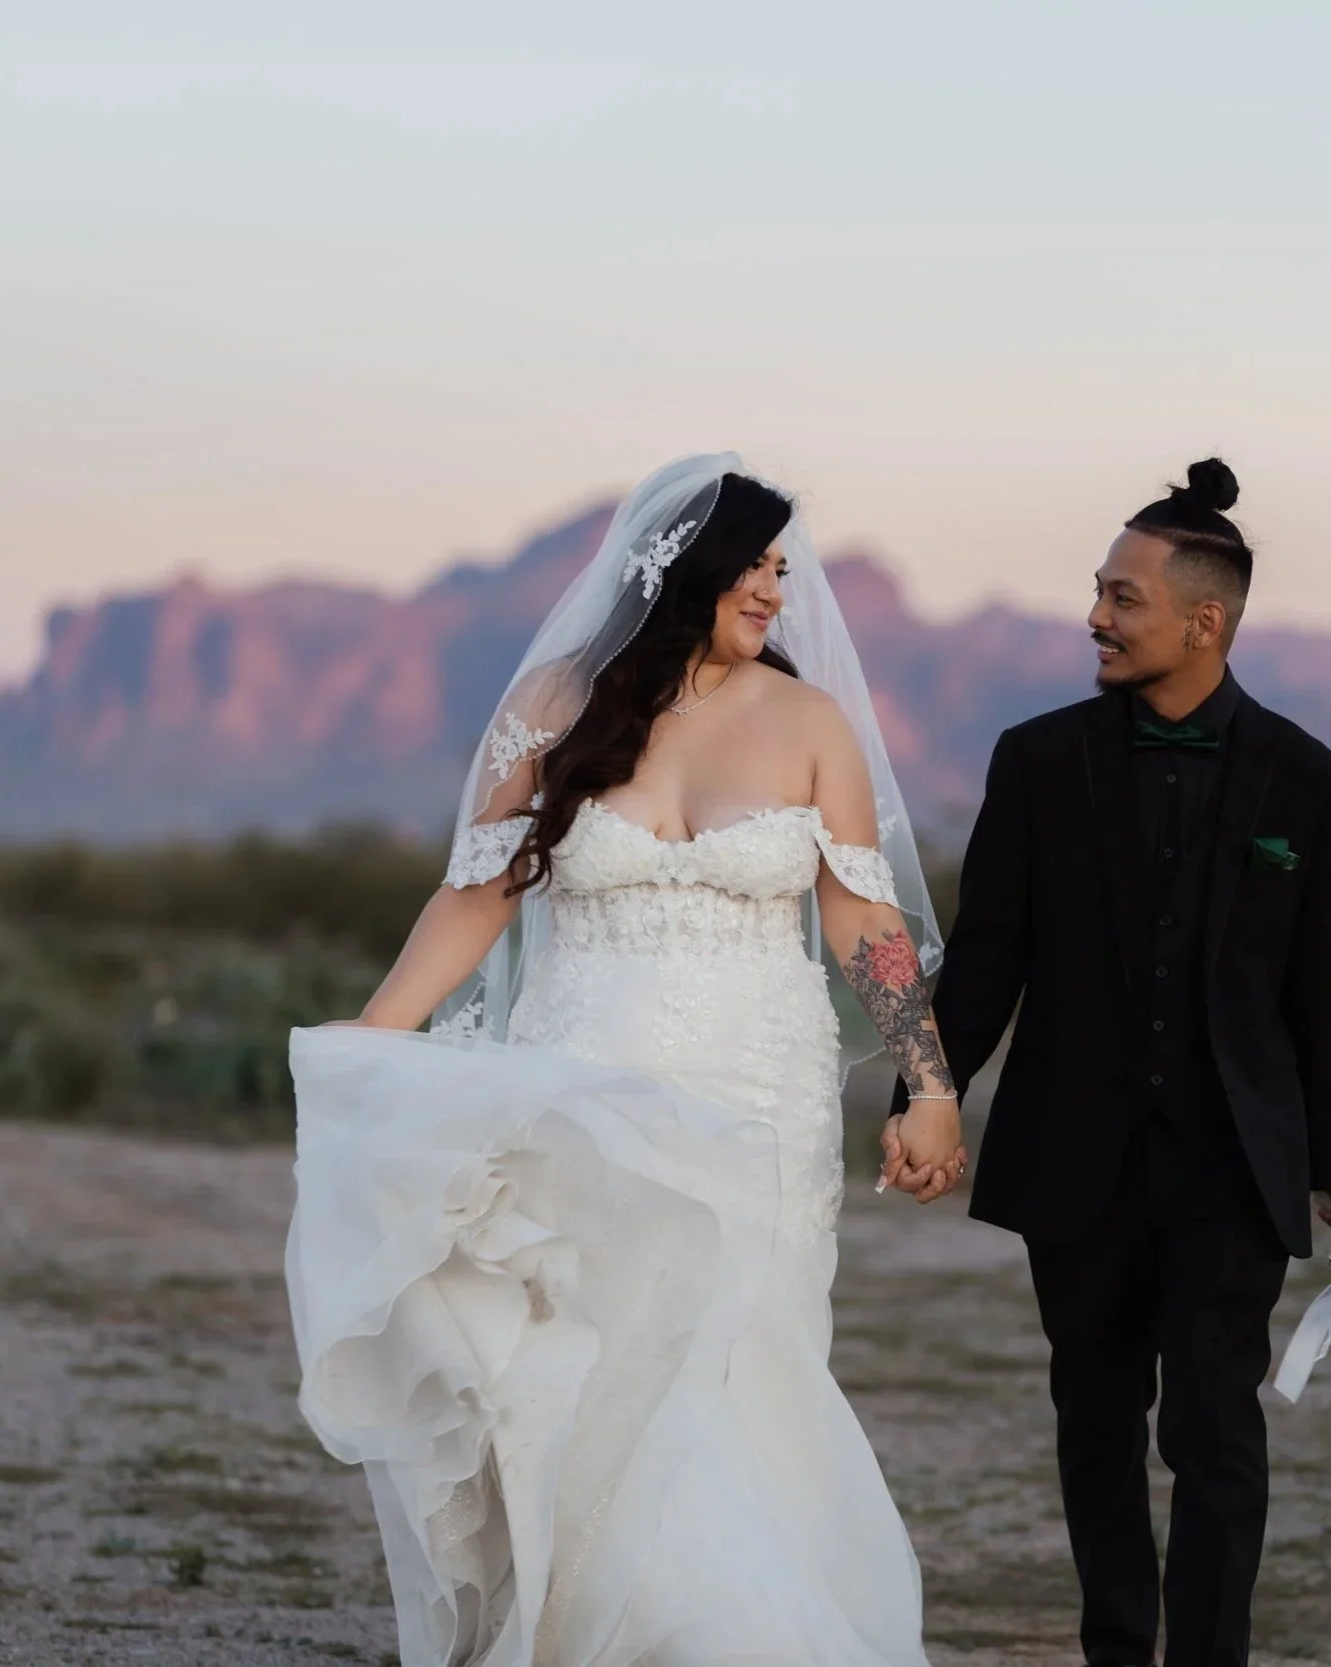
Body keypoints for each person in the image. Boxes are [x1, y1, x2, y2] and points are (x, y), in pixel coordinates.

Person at [284, 455, 965, 1667]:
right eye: (753, 563)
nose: (776, 587)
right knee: (590, 1362)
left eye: (780, 565)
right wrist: (378, 1033)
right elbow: (480, 889)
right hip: (583, 1078)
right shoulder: (557, 700)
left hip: (761, 1092)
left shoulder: (811, 724)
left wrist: (929, 1081)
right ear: (679, 566)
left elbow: (867, 924)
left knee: (744, 1362)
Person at [888, 458, 1331, 1667]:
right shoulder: (1038, 760)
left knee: (1216, 1429)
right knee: (1095, 1422)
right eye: (1097, 593)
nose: (1095, 618)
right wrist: (924, 1095)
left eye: (1122, 598)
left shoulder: (1309, 782)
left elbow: (1322, 999)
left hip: (1231, 1168)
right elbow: (988, 954)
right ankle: (1117, 1645)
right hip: (1075, 1157)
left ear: (1203, 620)